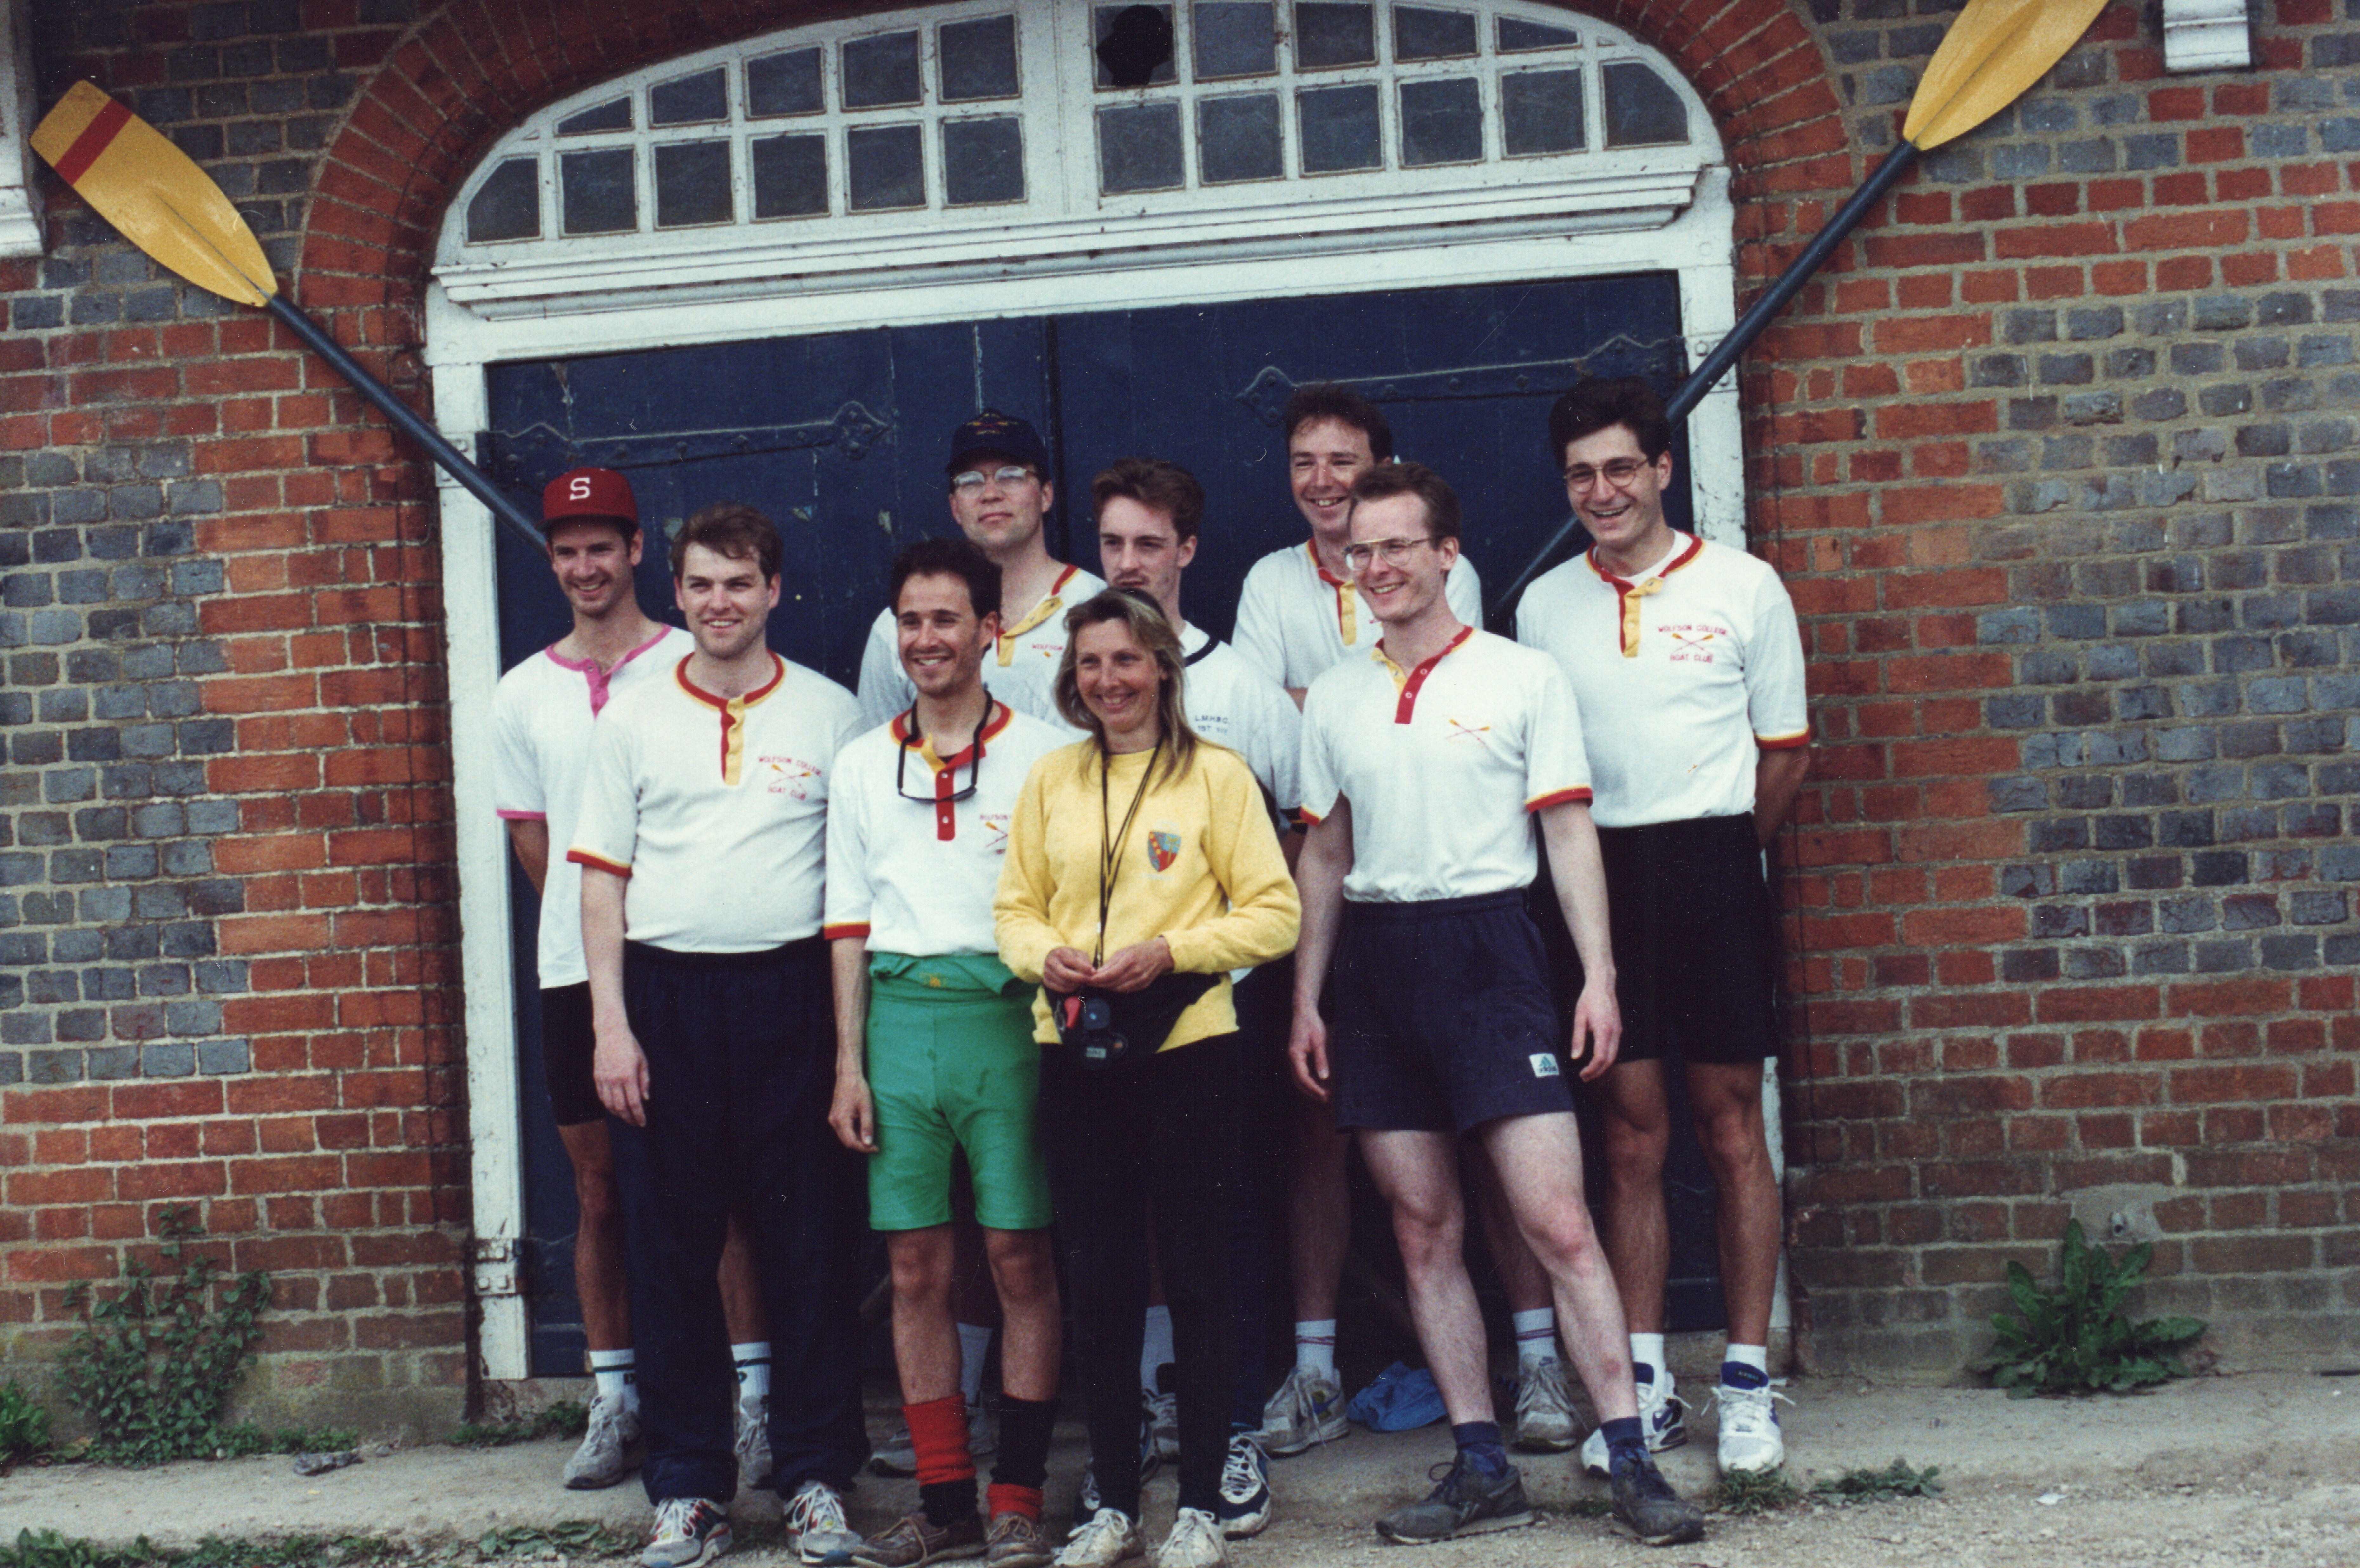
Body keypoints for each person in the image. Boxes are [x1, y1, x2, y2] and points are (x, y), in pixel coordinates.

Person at [1289, 462, 1703, 1548]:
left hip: (1493, 951)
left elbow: (1568, 835)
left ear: (1446, 555)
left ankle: (1630, 1459)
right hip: (1377, 965)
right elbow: (1326, 851)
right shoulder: (1333, 694)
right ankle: (1481, 1463)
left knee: (1558, 1221)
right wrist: (1306, 998)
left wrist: (1599, 975)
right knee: (1425, 1228)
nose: (1376, 566)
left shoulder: (1523, 677)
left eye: (1396, 546)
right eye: (1360, 550)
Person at [1231, 388, 1571, 1460]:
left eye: (1345, 461)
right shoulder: (1268, 583)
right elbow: (1287, 729)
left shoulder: (1437, 568)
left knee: (1494, 1144)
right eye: (1304, 461)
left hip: (1465, 901)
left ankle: (1542, 1360)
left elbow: (1426, 685)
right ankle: (1321, 1366)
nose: (1323, 481)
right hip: (1334, 879)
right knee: (1332, 1145)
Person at [1514, 376, 1812, 1480]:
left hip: (1714, 863)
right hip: (1600, 876)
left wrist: (1724, 857)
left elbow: (1785, 751)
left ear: (1663, 471)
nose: (1603, 491)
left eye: (1621, 468)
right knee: (1630, 1133)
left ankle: (1744, 1376)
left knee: (1731, 1127)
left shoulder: (1746, 586)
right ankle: (1641, 1381)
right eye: (1583, 474)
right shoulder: (1543, 605)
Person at [571, 504, 869, 1568]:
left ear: (775, 591)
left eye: (738, 583)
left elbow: (851, 888)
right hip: (667, 1001)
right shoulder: (634, 719)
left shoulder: (830, 714)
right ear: (681, 590)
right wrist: (612, 1025)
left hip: (790, 994)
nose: (718, 603)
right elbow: (599, 884)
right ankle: (690, 1486)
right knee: (670, 1244)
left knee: (810, 1245)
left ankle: (818, 1476)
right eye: (700, 584)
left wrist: (846, 1048)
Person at [994, 591, 1300, 1568]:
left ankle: (1202, 1501)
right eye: (1090, 665)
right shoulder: (1050, 779)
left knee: (1201, 1270)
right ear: (1070, 678)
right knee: (1100, 1273)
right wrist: (1042, 956)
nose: (1108, 681)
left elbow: (1273, 913)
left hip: (1188, 1047)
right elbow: (1013, 910)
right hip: (1076, 1049)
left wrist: (1171, 950)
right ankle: (1113, 1502)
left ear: (1162, 668)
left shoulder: (1216, 777)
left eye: (1125, 661)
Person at [490, 468, 773, 1493]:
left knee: (720, 1188)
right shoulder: (522, 691)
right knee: (600, 1194)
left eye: (601, 545)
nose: (584, 566)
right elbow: (534, 841)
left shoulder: (688, 662)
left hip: (680, 966)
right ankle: (619, 1399)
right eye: (566, 549)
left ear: (638, 548)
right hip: (577, 974)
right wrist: (590, 927)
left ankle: (751, 1400)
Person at [823, 538, 1070, 1568]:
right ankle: (944, 1502)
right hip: (899, 1024)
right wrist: (849, 1062)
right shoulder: (858, 762)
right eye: (911, 621)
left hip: (1007, 1019)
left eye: (946, 619)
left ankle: (1016, 1494)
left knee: (1019, 1255)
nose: (928, 638)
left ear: (988, 629)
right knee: (916, 1263)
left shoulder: (1048, 752)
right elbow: (846, 919)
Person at [1093, 458, 1301, 1541]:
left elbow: (1301, 834)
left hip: (1224, 999)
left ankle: (1233, 1437)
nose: (1130, 563)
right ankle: (1140, 1425)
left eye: (1148, 544)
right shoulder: (1088, 677)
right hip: (1104, 1009)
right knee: (1121, 1222)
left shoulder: (1243, 694)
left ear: (1188, 552)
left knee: (1224, 1221)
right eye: (1113, 544)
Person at [858, 411, 1107, 733]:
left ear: (1046, 495)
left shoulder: (1099, 604)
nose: (990, 494)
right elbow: (882, 755)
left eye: (1012, 475)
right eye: (971, 481)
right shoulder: (897, 628)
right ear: (955, 507)